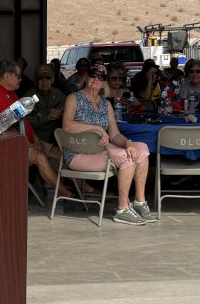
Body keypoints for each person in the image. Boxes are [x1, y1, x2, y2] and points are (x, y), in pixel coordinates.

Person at [62, 63, 154, 226]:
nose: (96, 79)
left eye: (101, 77)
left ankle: (139, 202)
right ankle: (122, 209)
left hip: (101, 150)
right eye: (93, 74)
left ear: (104, 82)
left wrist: (128, 143)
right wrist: (96, 128)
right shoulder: (74, 98)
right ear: (86, 77)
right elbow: (67, 125)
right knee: (127, 157)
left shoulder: (105, 104)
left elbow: (115, 134)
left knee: (142, 149)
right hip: (78, 153)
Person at [0, 59, 70, 198]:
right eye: (18, 76)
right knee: (40, 158)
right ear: (7, 75)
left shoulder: (12, 92)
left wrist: (36, 139)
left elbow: (24, 121)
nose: (21, 80)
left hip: (27, 139)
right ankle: (67, 195)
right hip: (9, 145)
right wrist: (6, 117)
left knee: (65, 155)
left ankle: (84, 190)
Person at [27, 65, 65, 154]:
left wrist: (60, 113)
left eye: (47, 78)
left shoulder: (57, 93)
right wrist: (47, 117)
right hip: (39, 137)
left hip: (58, 135)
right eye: (41, 79)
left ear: (52, 80)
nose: (44, 81)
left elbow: (69, 109)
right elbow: (26, 122)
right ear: (36, 81)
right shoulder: (28, 97)